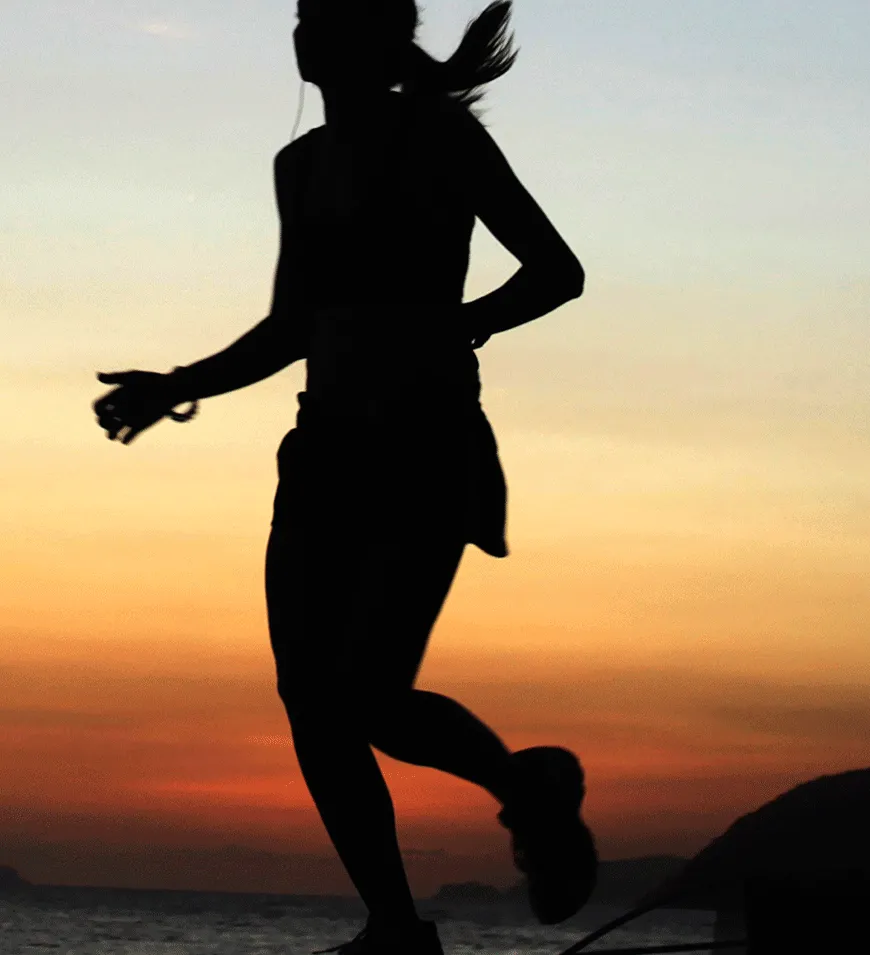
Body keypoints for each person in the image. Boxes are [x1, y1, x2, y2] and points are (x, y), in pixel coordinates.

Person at [91, 2, 593, 952]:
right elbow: (292, 327)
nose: (299, 28)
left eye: (320, 11)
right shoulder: (301, 165)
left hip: (426, 444)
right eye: (298, 12)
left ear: (370, 33)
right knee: (312, 701)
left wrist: (461, 321)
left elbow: (555, 271)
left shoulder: (443, 137)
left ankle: (525, 791)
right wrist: (176, 387)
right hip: (323, 453)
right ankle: (395, 927)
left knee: (366, 695)